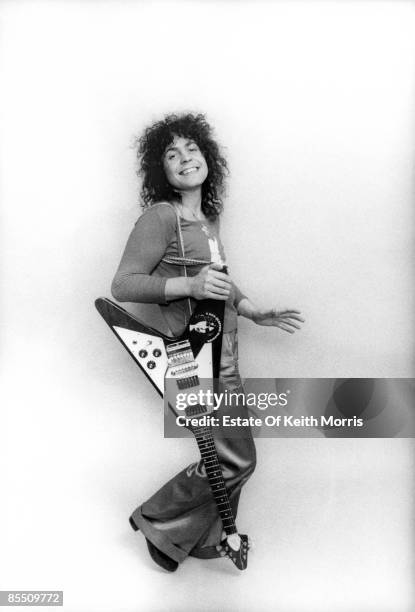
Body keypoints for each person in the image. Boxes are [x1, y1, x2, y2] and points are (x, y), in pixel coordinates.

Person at [111, 112, 304, 571]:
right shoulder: (162, 217)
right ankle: (154, 515)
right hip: (191, 359)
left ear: (207, 157)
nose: (183, 158)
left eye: (191, 148)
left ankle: (189, 541)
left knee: (228, 459)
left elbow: (217, 283)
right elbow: (123, 285)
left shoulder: (205, 219)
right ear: (162, 171)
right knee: (236, 461)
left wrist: (251, 308)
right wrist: (189, 288)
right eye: (171, 154)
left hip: (226, 356)